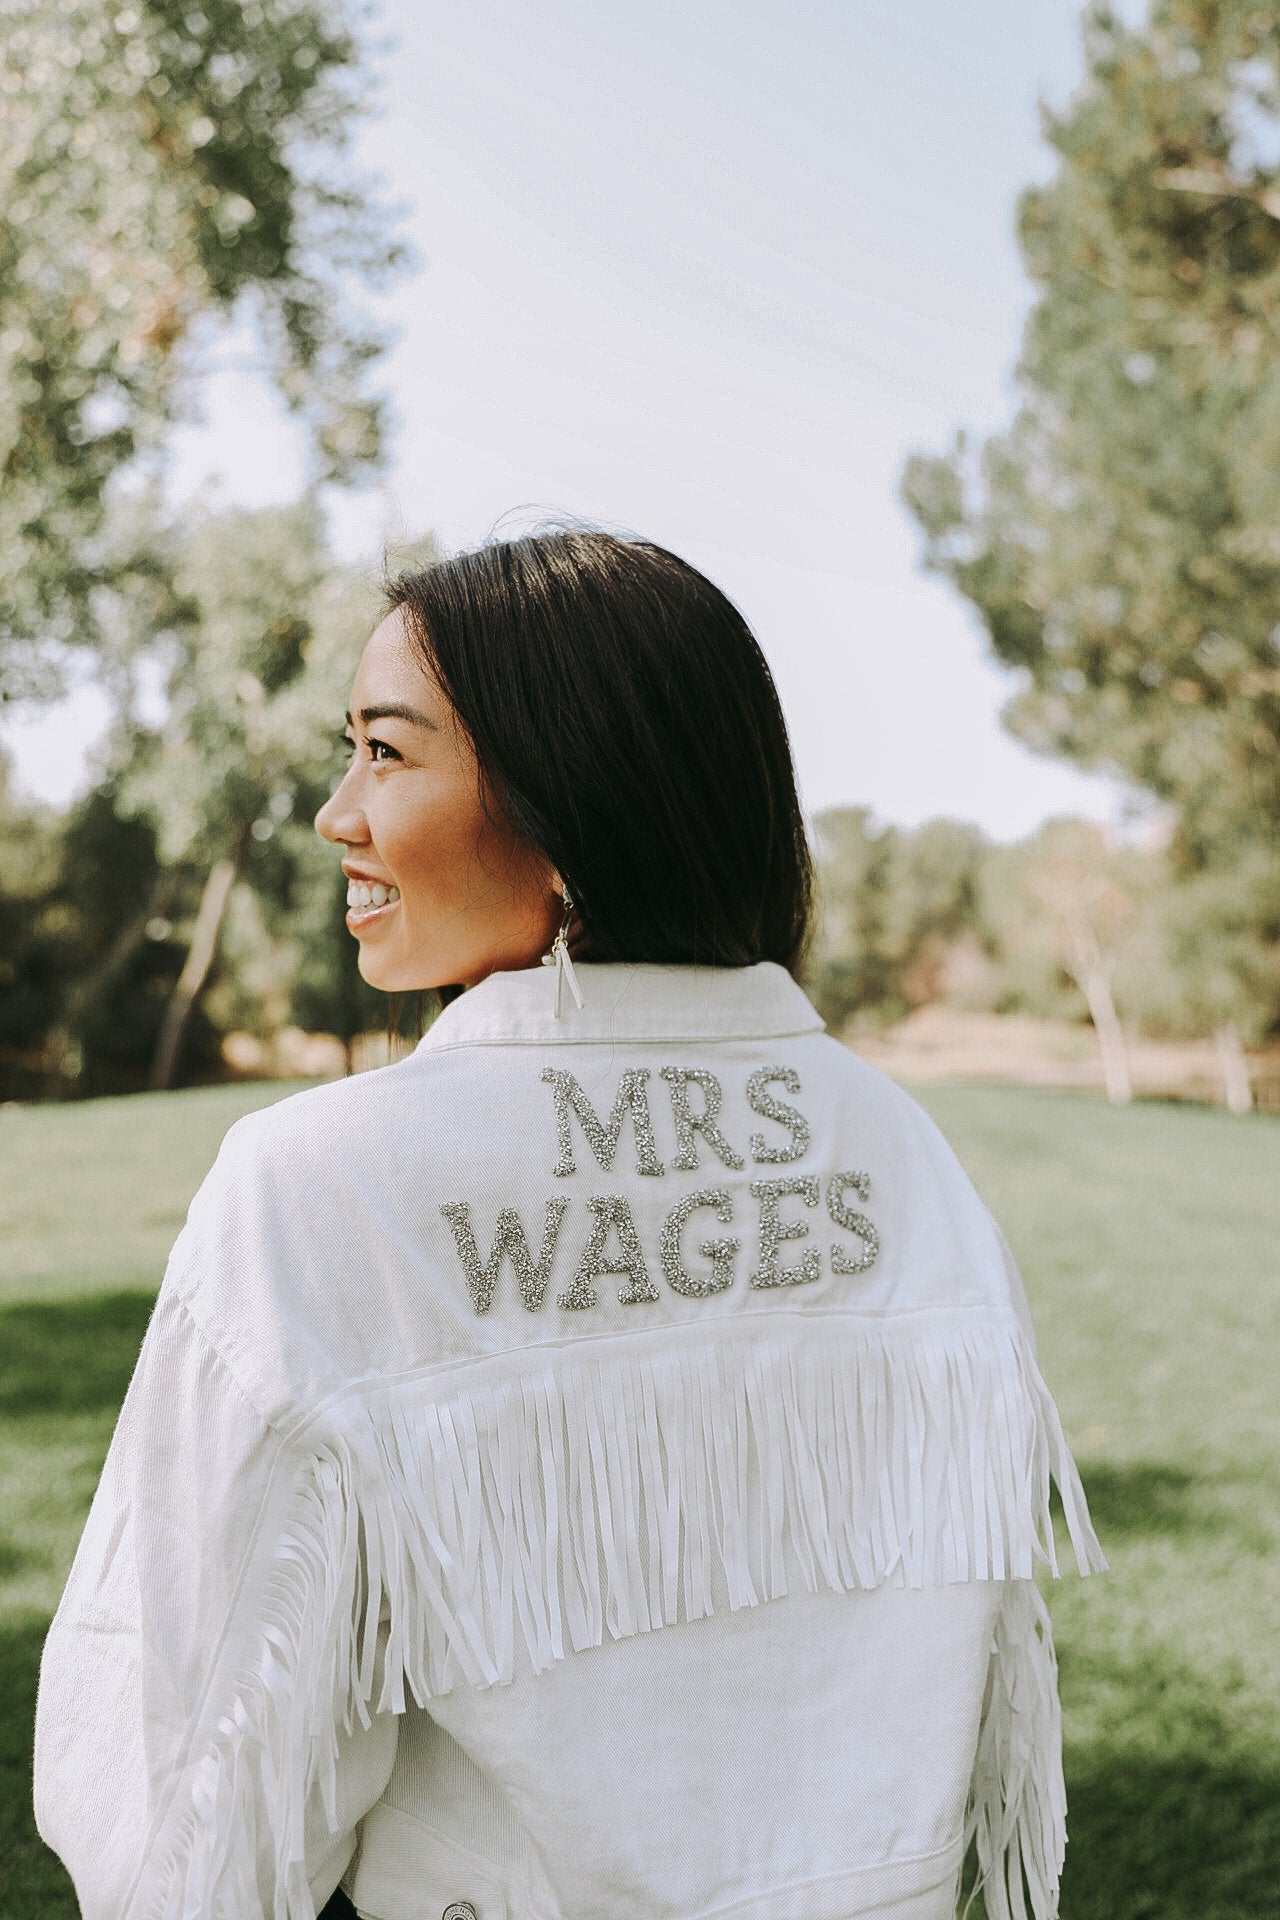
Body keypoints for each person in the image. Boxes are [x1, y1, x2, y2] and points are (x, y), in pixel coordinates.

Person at [33, 526, 1104, 1920]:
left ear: (571, 804)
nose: (335, 814)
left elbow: (188, 1783)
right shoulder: (902, 1152)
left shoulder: (323, 1183)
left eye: (388, 752)